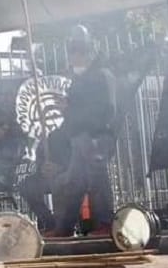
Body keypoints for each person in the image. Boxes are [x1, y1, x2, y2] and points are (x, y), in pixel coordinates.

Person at [49, 24, 118, 237]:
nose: (72, 58)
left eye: (76, 52)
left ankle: (107, 224)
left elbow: (106, 109)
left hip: (96, 136)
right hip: (80, 136)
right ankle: (65, 228)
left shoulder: (101, 76)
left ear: (87, 53)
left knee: (97, 179)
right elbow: (77, 108)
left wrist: (71, 109)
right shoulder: (79, 80)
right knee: (75, 184)